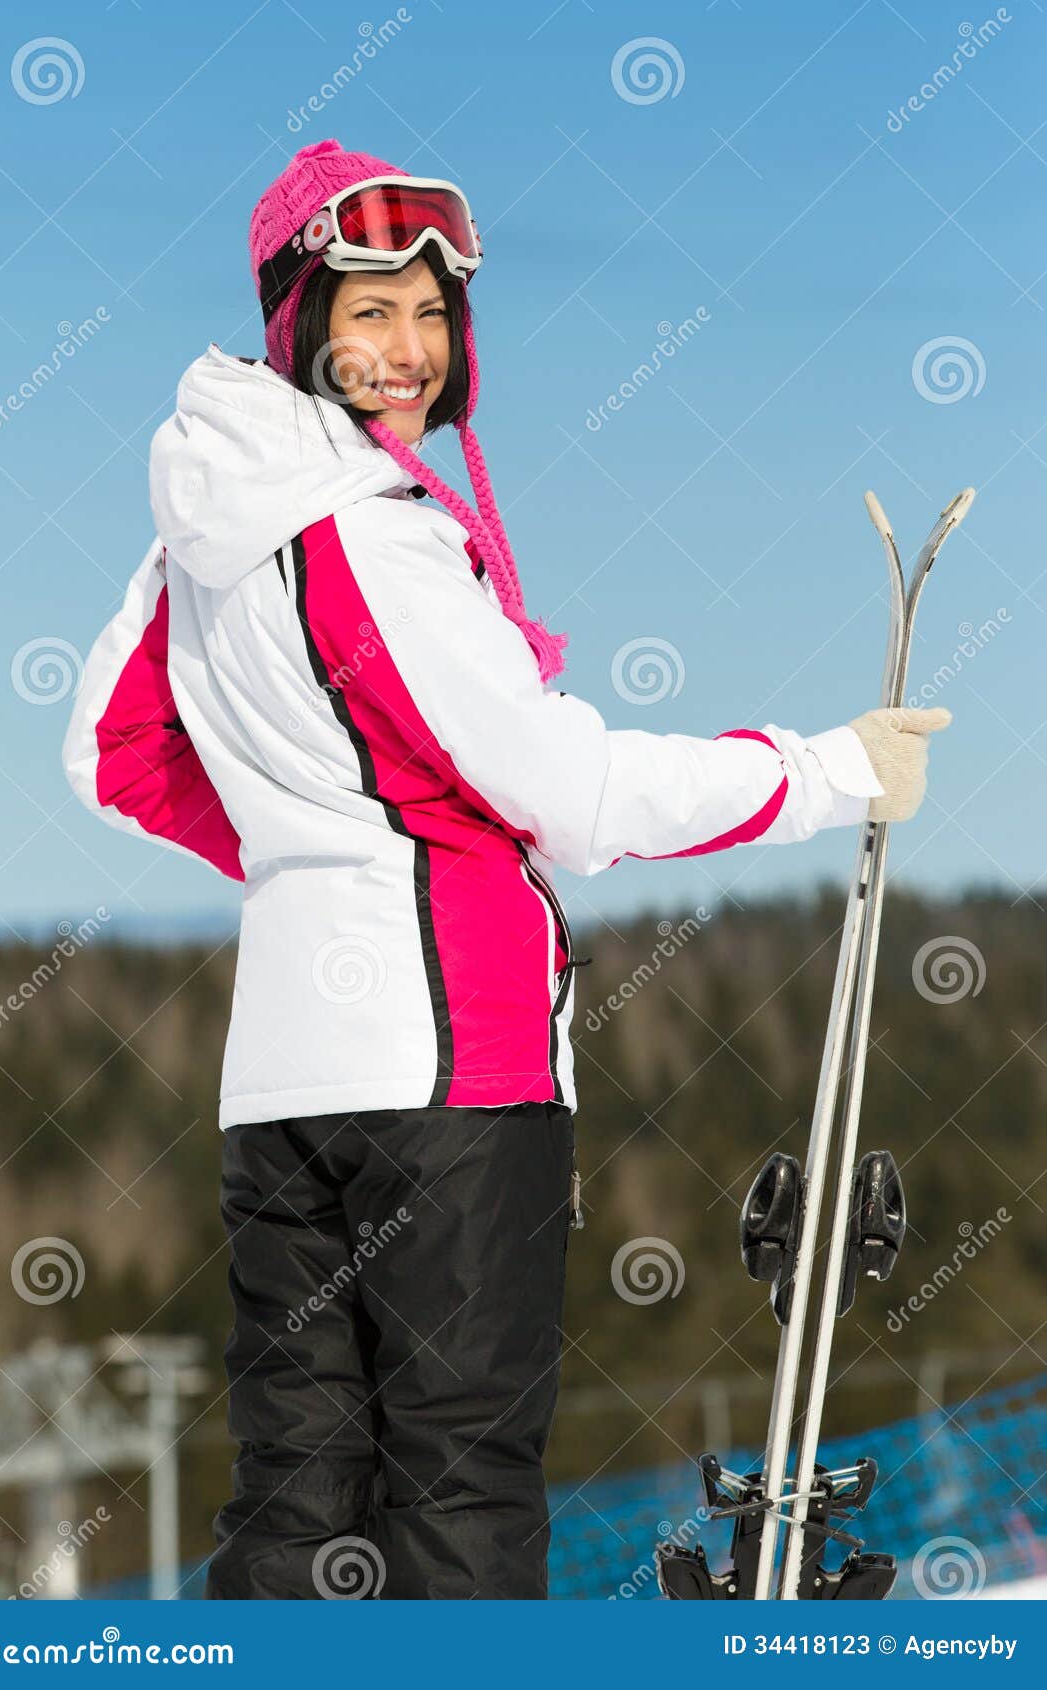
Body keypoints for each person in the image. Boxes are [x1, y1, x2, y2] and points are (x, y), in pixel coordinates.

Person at [61, 139, 950, 1600]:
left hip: (282, 1078)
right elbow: (575, 791)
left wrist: (317, 840)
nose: (406, 353)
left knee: (298, 1487)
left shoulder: (200, 524)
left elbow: (112, 751)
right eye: (367, 314)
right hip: (447, 1071)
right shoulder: (367, 528)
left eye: (428, 314)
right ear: (300, 320)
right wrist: (827, 767)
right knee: (458, 1480)